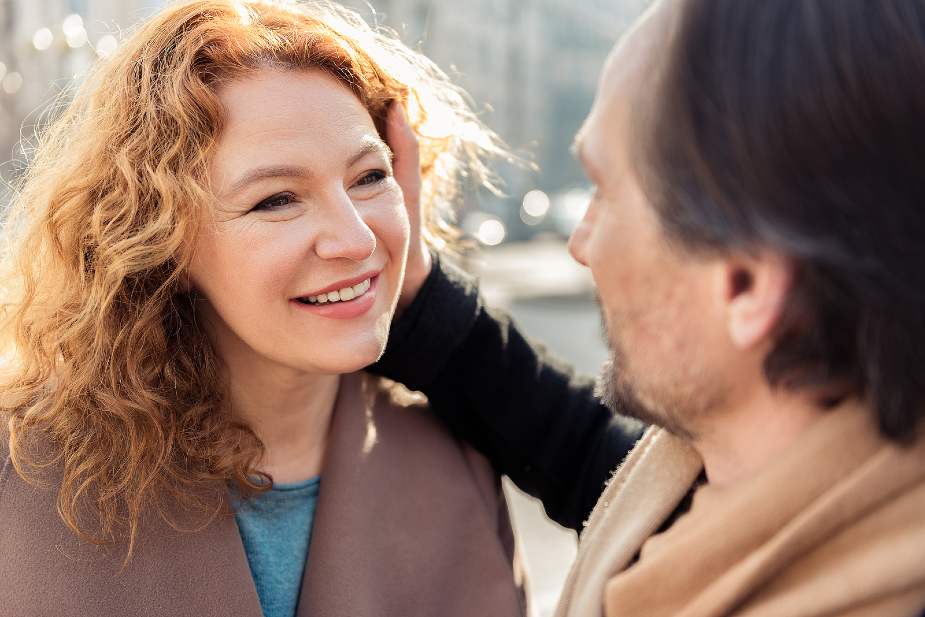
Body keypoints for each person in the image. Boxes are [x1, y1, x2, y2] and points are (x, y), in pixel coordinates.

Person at [374, 1, 925, 615]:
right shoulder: (706, 480)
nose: (581, 244)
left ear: (745, 284)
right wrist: (420, 296)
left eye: (601, 191)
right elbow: (579, 448)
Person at [0, 2, 527, 616]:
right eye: (278, 199)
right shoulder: (20, 480)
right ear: (156, 237)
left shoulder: (457, 463)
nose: (356, 239)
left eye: (368, 177)